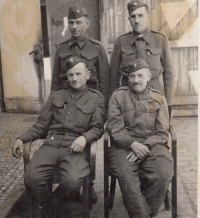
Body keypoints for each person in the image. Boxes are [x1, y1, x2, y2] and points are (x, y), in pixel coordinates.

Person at [12, 57, 105, 217]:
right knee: (31, 179)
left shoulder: (96, 98)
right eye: (70, 75)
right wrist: (21, 138)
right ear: (66, 77)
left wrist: (84, 138)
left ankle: (51, 211)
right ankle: (60, 210)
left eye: (78, 74)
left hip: (76, 148)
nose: (74, 79)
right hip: (51, 145)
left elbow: (98, 127)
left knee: (72, 181)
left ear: (88, 75)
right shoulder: (56, 95)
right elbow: (41, 126)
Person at [108, 58, 174, 218]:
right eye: (132, 76)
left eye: (139, 76)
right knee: (125, 174)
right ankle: (142, 215)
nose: (135, 80)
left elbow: (162, 132)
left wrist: (144, 145)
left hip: (154, 145)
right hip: (123, 146)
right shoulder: (118, 96)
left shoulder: (158, 98)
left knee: (162, 172)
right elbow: (115, 129)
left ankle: (146, 212)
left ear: (149, 76)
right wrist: (133, 144)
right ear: (127, 77)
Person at [110, 0, 175, 109]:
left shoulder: (160, 40)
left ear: (148, 17)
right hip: (127, 98)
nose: (137, 20)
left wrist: (168, 104)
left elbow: (169, 74)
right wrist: (114, 102)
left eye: (141, 16)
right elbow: (113, 76)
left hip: (154, 98)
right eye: (133, 16)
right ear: (129, 19)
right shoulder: (121, 42)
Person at [51, 3, 110, 106]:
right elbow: (55, 81)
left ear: (87, 24)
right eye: (71, 23)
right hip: (66, 100)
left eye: (78, 22)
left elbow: (104, 82)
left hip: (90, 100)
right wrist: (53, 104)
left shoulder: (97, 47)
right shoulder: (61, 48)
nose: (74, 27)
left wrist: (102, 106)